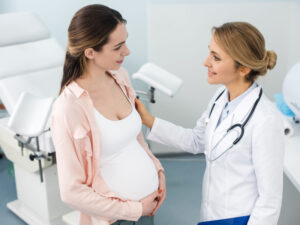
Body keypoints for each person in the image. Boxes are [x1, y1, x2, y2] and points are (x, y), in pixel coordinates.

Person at [135, 22, 284, 225]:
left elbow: (270, 200)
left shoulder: (265, 120)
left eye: (216, 57)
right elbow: (197, 141)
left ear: (243, 68)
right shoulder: (221, 96)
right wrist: (149, 121)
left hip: (241, 219)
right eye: (209, 54)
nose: (206, 62)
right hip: (212, 214)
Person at [50, 4, 166, 225]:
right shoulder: (68, 107)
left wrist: (158, 172)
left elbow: (135, 138)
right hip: (117, 218)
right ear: (90, 52)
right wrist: (134, 209)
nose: (127, 51)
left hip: (149, 205)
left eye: (126, 41)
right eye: (118, 47)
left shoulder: (120, 76)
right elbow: (71, 192)